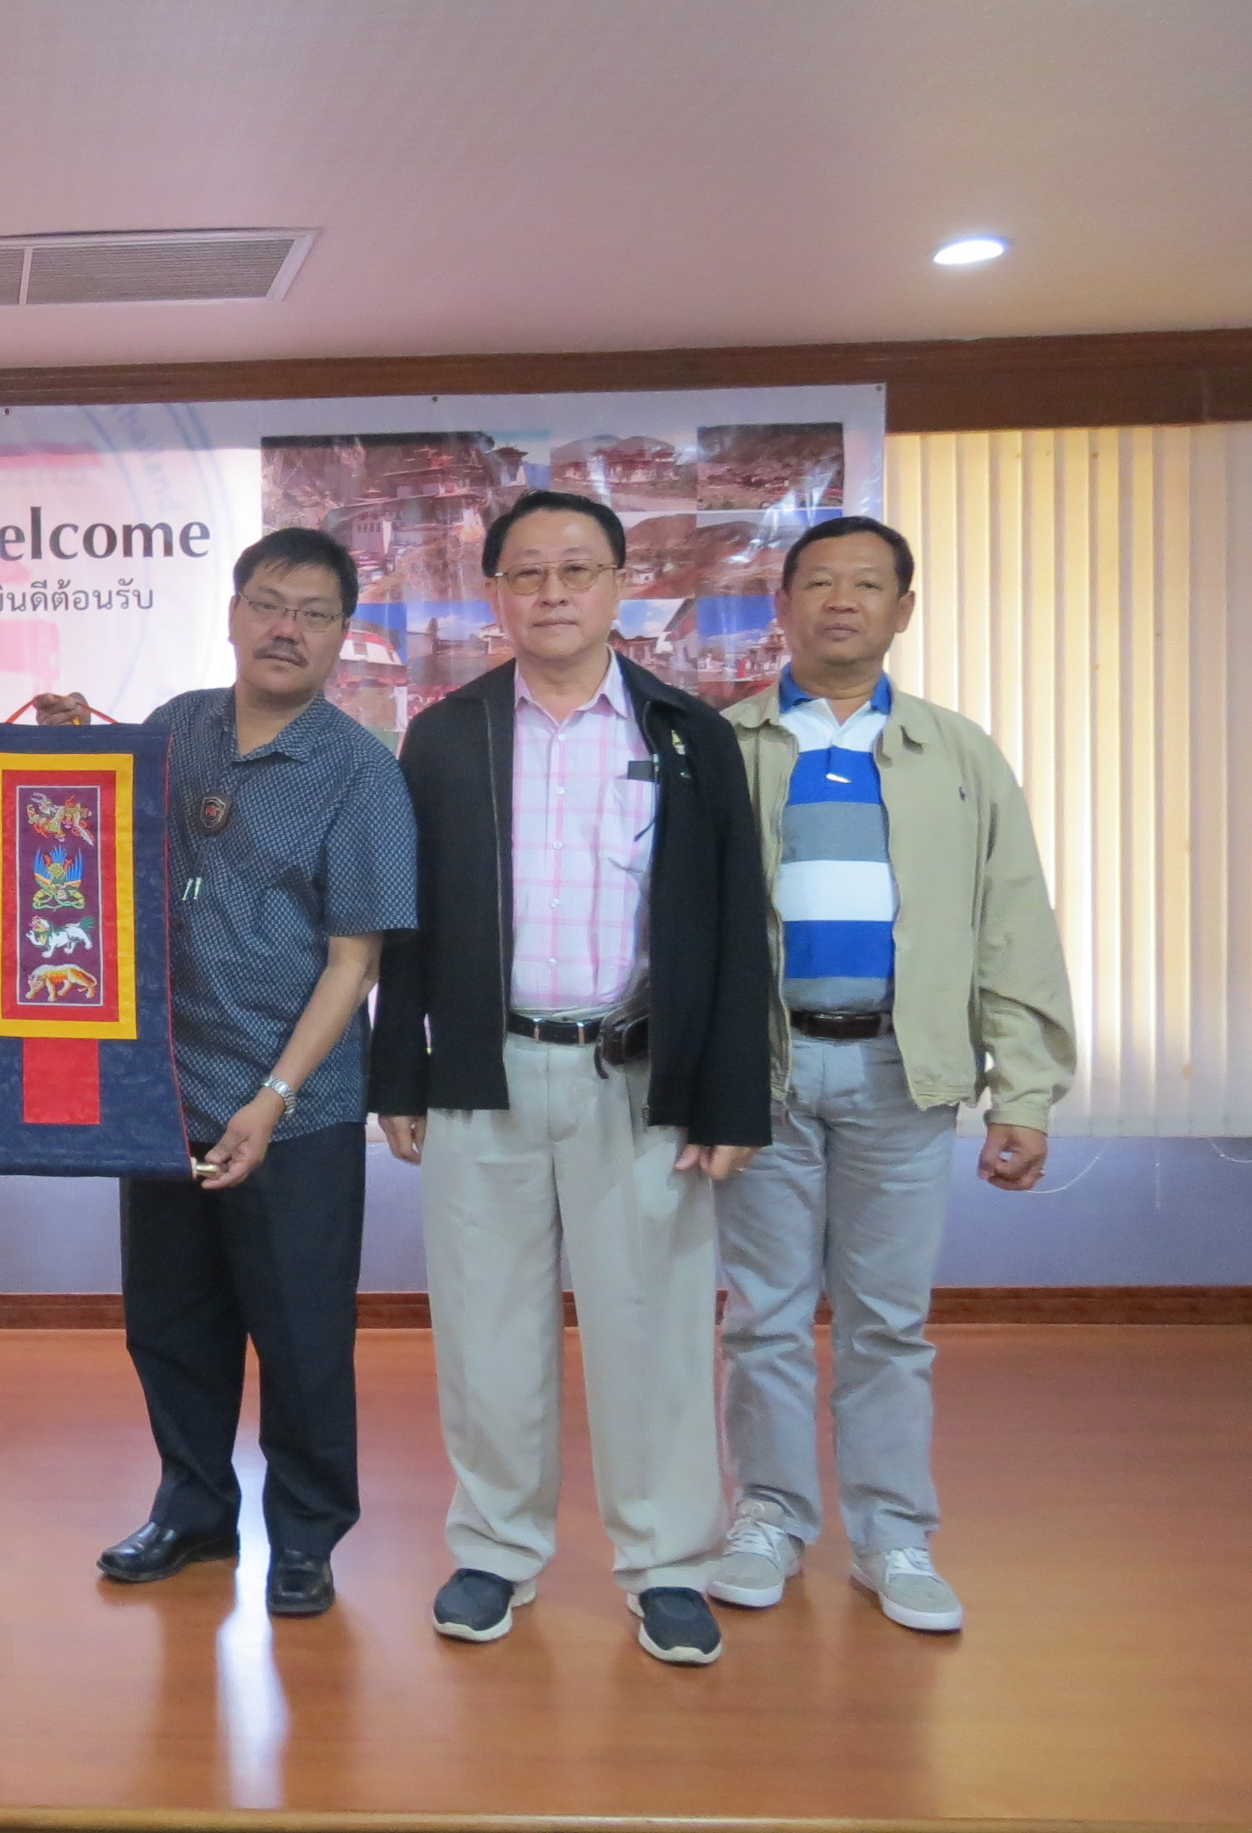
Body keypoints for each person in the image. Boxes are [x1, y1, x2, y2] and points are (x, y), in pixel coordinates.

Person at [372, 489, 772, 1667]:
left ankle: (667, 1562)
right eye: (527, 572)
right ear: (494, 592)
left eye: (576, 569)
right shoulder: (445, 735)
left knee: (653, 1328)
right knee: (485, 1330)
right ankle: (495, 1548)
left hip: (636, 1079)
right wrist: (399, 1075)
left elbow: (733, 925)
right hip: (480, 1072)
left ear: (618, 587)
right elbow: (403, 924)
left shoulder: (686, 734)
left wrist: (729, 1096)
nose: (551, 592)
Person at [36, 529, 417, 1619]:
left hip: (294, 1108)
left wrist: (273, 1096)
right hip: (164, 1095)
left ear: (341, 635)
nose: (285, 628)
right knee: (169, 1324)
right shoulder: (175, 727)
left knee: (301, 1336)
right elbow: (101, 853)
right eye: (267, 604)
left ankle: (305, 1534)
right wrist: (70, 753)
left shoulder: (361, 772)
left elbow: (354, 962)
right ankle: (192, 1508)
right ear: (235, 612)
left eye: (312, 612)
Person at [708, 517, 1073, 1633]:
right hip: (765, 1073)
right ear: (781, 605)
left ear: (901, 610)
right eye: (817, 582)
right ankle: (768, 1516)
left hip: (900, 1072)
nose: (840, 601)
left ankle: (891, 1535)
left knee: (886, 1322)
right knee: (763, 1316)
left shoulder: (957, 755)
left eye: (866, 584)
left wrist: (1022, 1090)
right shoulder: (724, 745)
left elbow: (1011, 923)